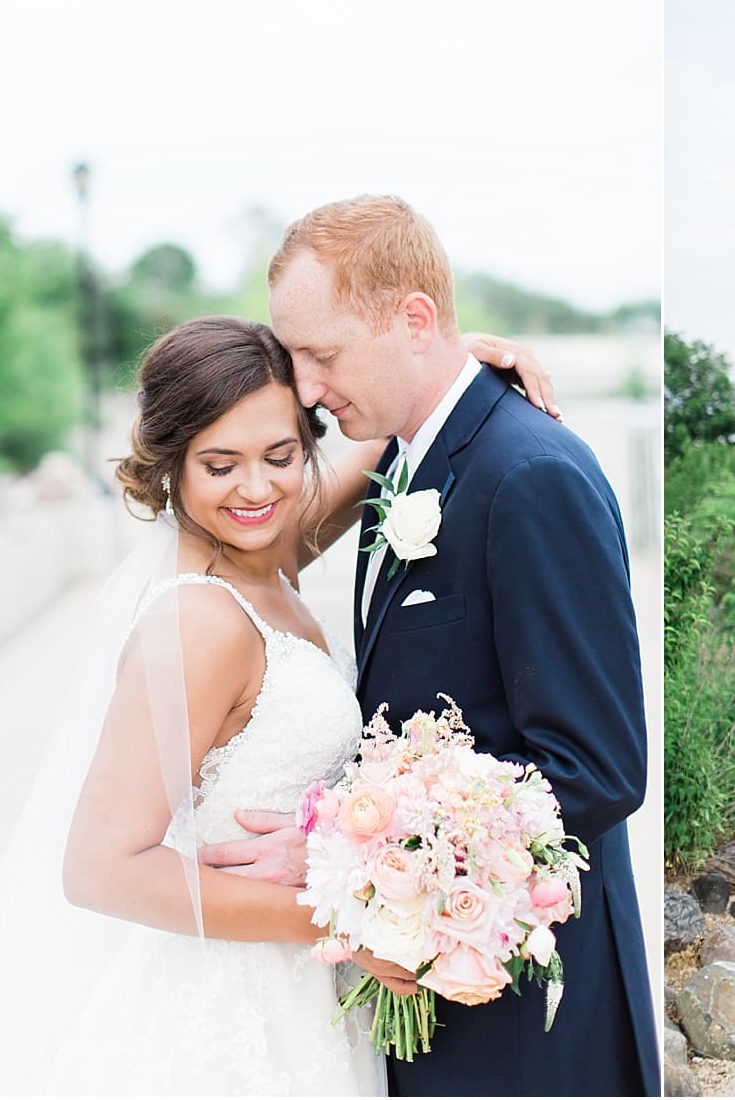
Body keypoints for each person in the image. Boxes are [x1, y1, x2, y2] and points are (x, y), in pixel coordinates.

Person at [0, 315, 554, 1096]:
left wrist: (457, 373)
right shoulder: (197, 623)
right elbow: (98, 869)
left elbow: (382, 450)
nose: (257, 489)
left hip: (295, 993)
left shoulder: (263, 556)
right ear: (170, 467)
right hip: (226, 1015)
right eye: (219, 465)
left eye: (280, 455)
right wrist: (344, 922)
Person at [194, 195, 659, 1097]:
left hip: (527, 1026)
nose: (308, 390)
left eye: (322, 355)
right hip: (432, 1002)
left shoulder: (529, 477)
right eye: (294, 357)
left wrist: (346, 860)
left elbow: (598, 769)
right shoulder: (408, 462)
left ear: (413, 319)